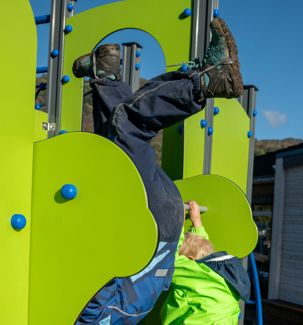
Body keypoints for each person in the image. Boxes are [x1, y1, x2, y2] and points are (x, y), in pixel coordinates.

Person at [73, 17, 244, 325]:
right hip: (149, 227)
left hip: (169, 227)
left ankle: (105, 76)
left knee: (116, 152)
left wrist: (196, 225)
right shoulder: (100, 316)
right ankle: (203, 82)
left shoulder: (224, 300)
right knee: (129, 127)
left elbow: (198, 265)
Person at [160, 200, 251, 324]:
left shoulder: (191, 271)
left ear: (190, 259)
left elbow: (171, 256)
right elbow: (199, 247)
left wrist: (178, 223)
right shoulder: (224, 273)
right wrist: (196, 222)